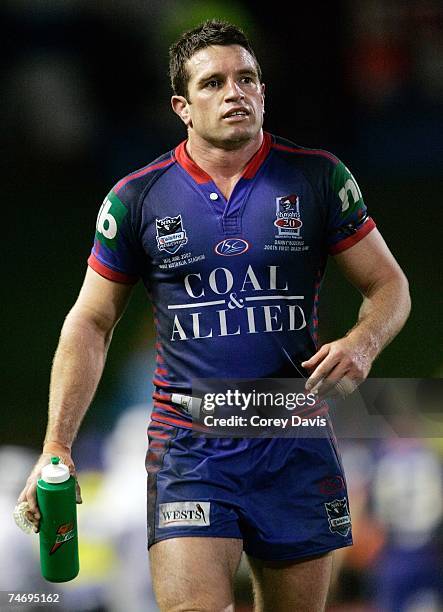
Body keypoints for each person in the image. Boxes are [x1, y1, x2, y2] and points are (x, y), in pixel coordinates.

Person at [18, 19, 411, 612]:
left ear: (263, 91)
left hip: (292, 441)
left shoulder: (318, 178)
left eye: (247, 78)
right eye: (214, 83)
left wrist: (363, 342)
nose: (235, 92)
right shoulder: (137, 198)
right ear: (182, 106)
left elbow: (389, 286)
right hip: (190, 447)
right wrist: (56, 447)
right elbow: (90, 322)